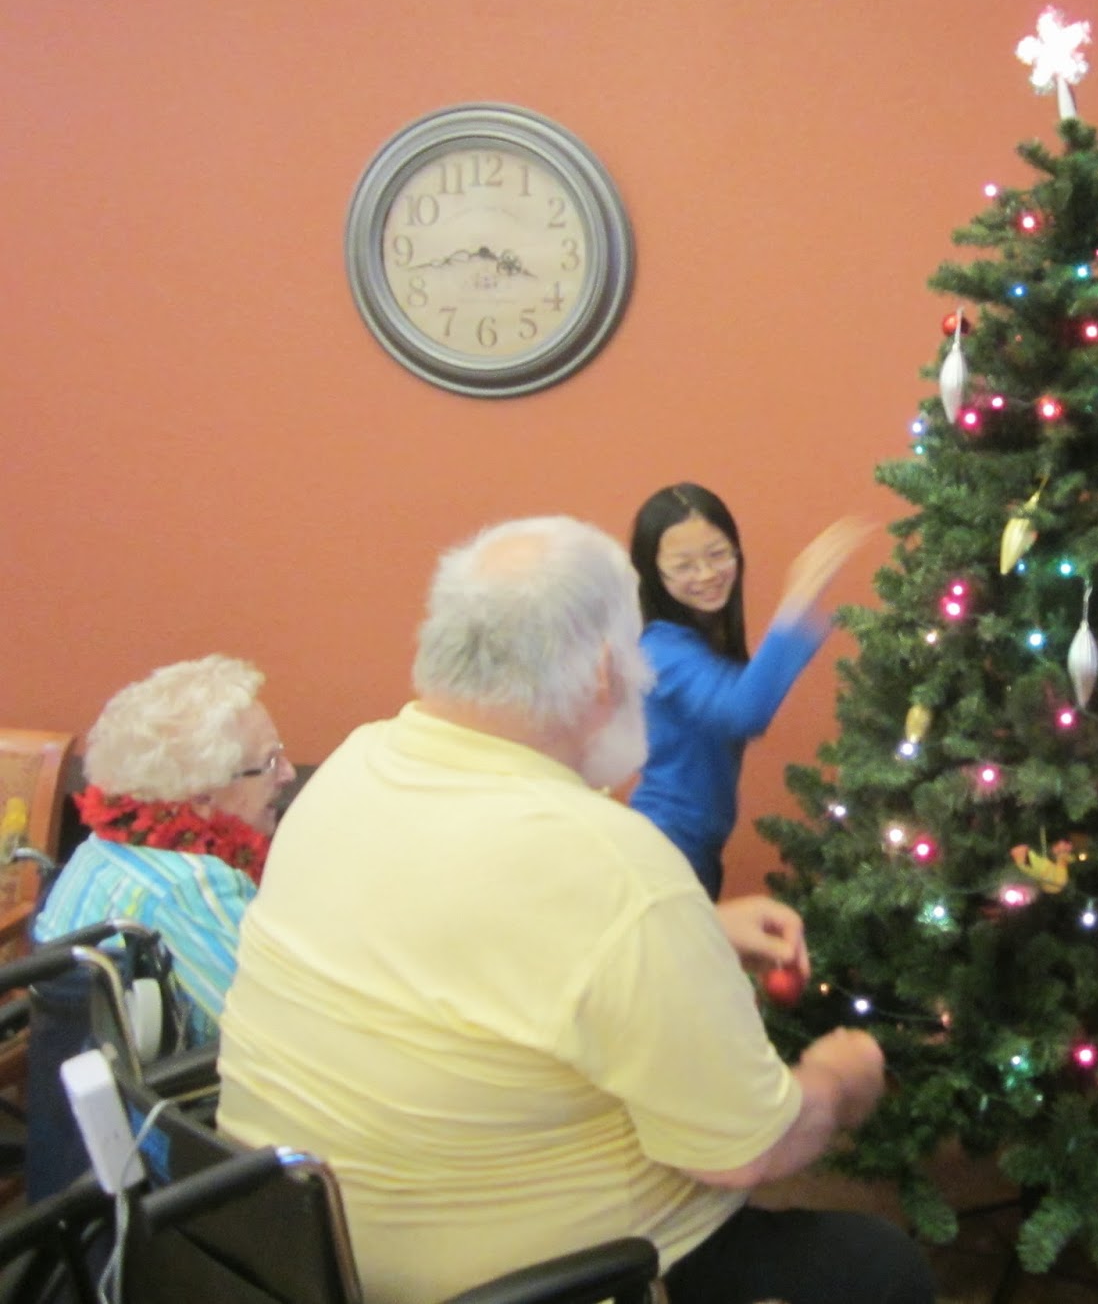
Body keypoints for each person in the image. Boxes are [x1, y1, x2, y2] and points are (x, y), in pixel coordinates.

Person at [215, 516, 935, 1304]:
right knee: (874, 1262)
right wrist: (838, 1074)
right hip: (516, 1281)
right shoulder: (610, 863)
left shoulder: (352, 767)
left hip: (289, 1246)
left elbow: (475, 942)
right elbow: (751, 1152)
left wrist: (690, 930)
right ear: (602, 670)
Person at [34, 653, 294, 1045]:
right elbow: (280, 1035)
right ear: (204, 790)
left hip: (71, 1091)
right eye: (270, 762)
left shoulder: (100, 847)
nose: (288, 773)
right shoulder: (189, 888)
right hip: (174, 1101)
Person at [628, 483, 868, 898]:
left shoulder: (694, 640)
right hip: (666, 849)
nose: (706, 574)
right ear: (653, 572)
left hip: (692, 845)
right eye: (683, 564)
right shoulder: (660, 650)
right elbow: (744, 711)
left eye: (718, 554)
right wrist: (797, 603)